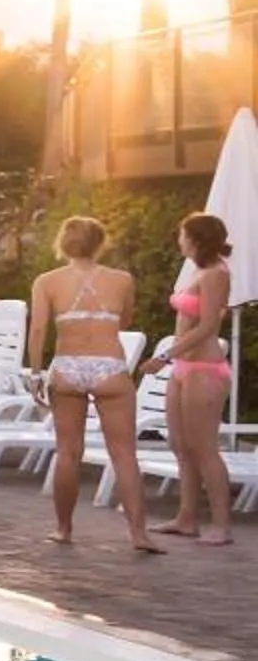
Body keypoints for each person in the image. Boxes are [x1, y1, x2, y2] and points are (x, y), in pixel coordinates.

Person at [25, 216, 161, 553]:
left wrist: (36, 371)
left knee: (68, 452)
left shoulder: (47, 281)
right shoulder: (122, 279)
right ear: (100, 243)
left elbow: (39, 329)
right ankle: (139, 534)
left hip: (68, 366)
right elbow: (125, 320)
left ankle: (63, 529)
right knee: (125, 454)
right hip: (109, 366)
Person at [143, 212, 235, 546]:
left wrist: (164, 356)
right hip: (183, 369)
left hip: (205, 370)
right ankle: (186, 518)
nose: (178, 239)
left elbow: (208, 325)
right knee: (181, 446)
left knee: (204, 448)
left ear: (196, 238)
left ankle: (222, 525)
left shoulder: (216, 274)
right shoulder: (199, 271)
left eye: (182, 234)